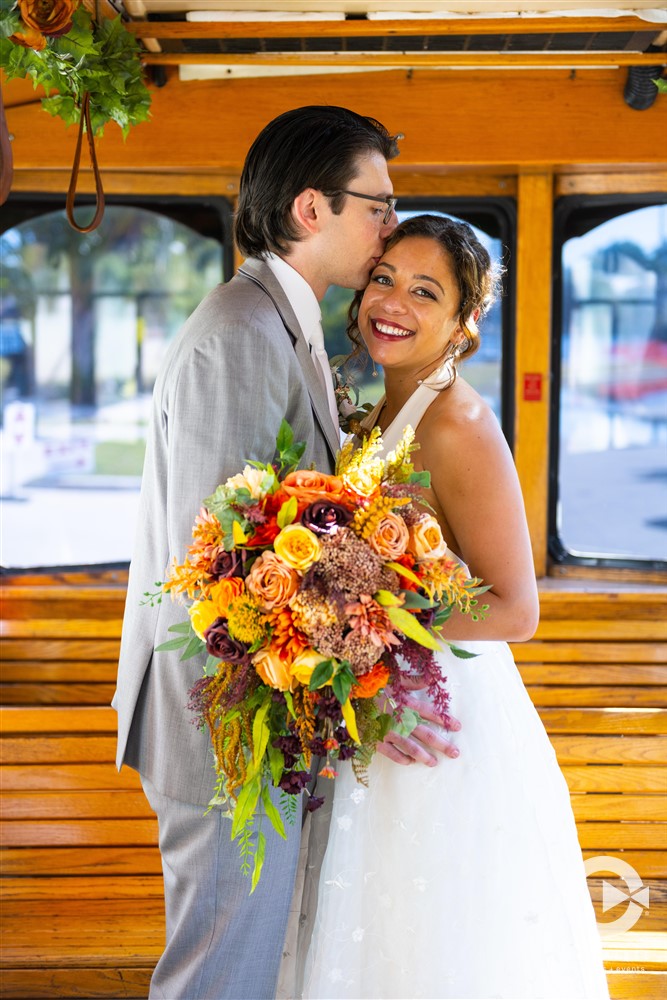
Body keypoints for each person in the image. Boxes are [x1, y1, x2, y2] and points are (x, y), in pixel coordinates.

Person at [113, 108, 459, 1000]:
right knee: (220, 975)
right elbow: (220, 562)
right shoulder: (240, 332)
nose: (391, 225)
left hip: (262, 719)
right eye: (379, 206)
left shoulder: (286, 326)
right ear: (312, 208)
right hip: (224, 725)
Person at [297, 215, 610, 1000]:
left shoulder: (458, 424)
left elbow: (513, 608)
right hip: (380, 707)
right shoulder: (376, 416)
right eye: (384, 278)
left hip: (437, 717)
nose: (392, 302)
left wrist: (369, 633)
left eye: (424, 291)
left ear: (464, 323)